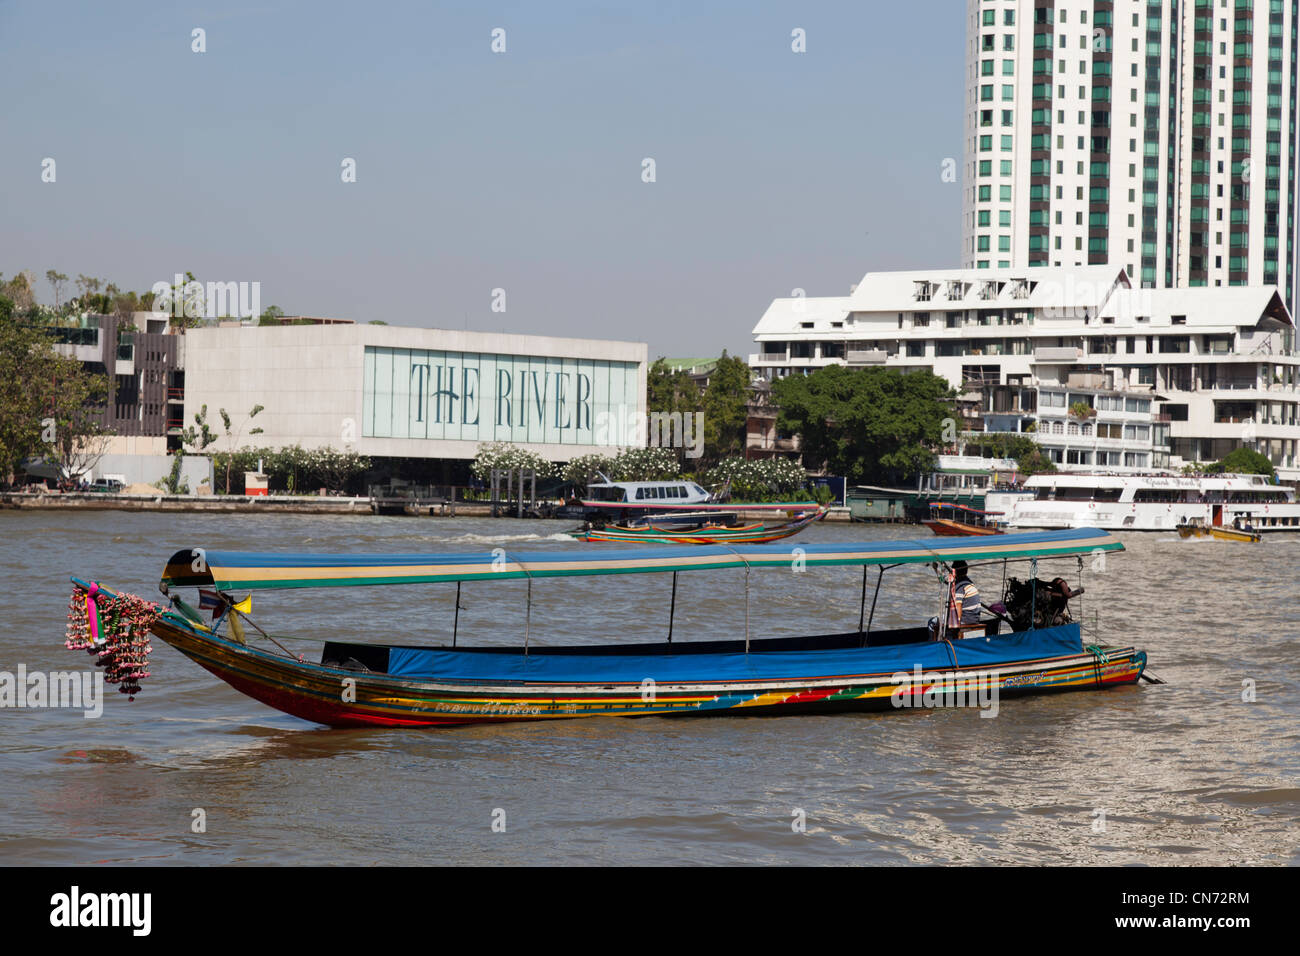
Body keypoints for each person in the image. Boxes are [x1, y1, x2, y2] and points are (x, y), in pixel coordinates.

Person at [947, 560, 982, 632]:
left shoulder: (959, 586)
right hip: (974, 619)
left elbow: (958, 606)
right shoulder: (968, 582)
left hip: (965, 621)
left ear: (955, 572)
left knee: (933, 622)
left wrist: (957, 625)